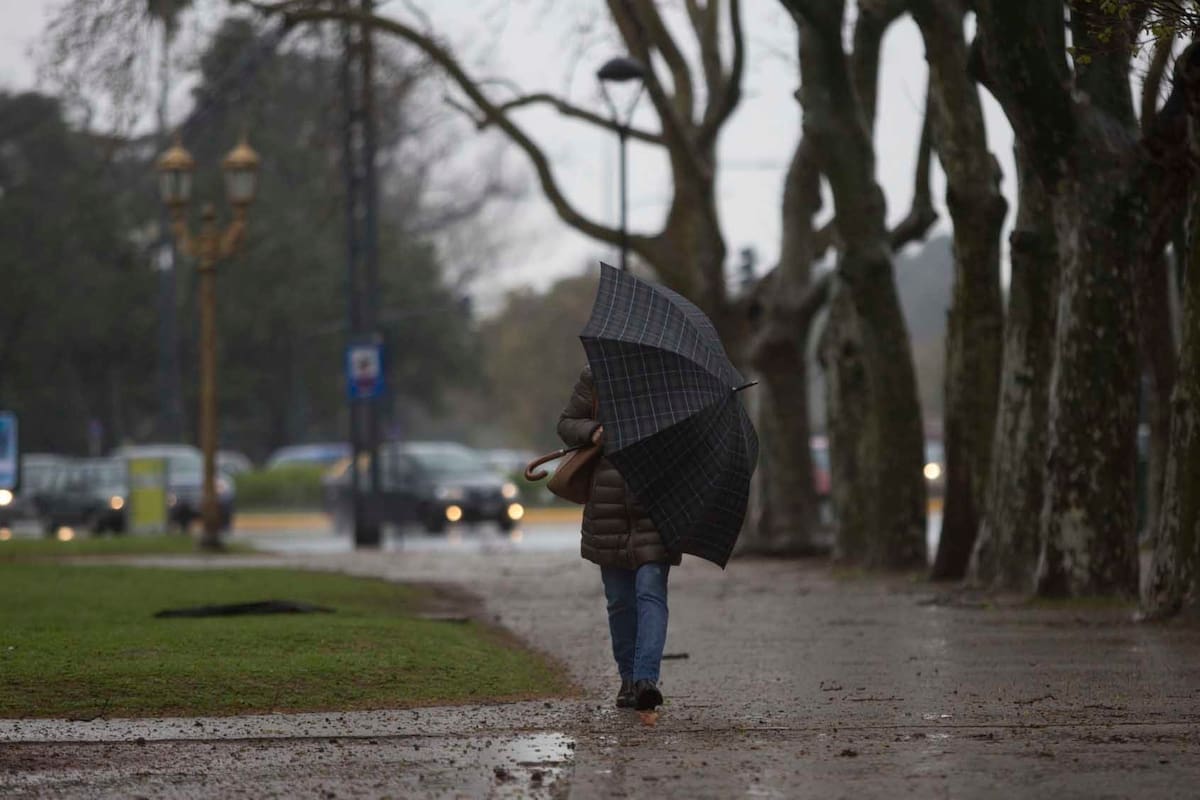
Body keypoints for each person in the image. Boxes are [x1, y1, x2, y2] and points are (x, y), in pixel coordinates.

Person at [557, 364, 680, 711]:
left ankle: (645, 680)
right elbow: (566, 423)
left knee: (650, 591)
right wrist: (592, 430)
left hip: (656, 506)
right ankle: (628, 678)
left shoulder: (670, 380)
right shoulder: (596, 375)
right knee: (620, 601)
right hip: (607, 508)